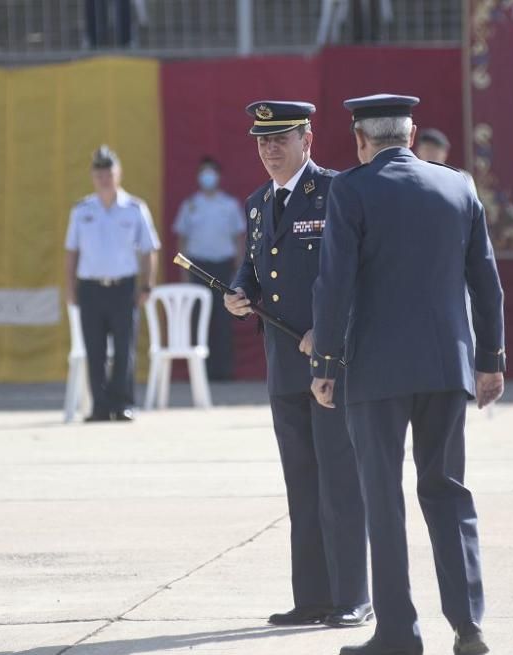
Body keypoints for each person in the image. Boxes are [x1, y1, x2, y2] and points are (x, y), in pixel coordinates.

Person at [310, 94, 505, 655]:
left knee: (383, 496)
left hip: (375, 371)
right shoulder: (458, 186)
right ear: (412, 132)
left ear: (359, 139)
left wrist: (324, 363)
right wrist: (490, 360)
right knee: (447, 492)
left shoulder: (350, 189)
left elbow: (334, 284)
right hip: (447, 367)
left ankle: (398, 632)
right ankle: (468, 626)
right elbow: (485, 282)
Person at [224, 101, 371, 629]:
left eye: (281, 138)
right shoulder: (259, 203)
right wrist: (241, 291)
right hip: (282, 363)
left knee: (340, 480)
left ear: (308, 139)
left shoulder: (336, 192)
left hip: (328, 361)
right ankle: (311, 597)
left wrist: (328, 334)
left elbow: (357, 275)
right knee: (302, 483)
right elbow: (255, 264)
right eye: (262, 140)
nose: (270, 149)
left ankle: (354, 595)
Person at [65, 145, 160, 422]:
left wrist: (147, 285)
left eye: (109, 173)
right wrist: (70, 289)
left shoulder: (134, 208)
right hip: (91, 288)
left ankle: (123, 404)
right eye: (99, 174)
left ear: (118, 174)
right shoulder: (82, 210)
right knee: (94, 350)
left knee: (124, 349)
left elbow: (148, 249)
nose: (104, 179)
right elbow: (71, 252)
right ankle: (99, 406)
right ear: (93, 177)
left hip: (123, 287)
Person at [173, 156, 245, 380]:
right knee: (199, 319)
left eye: (211, 172)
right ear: (198, 177)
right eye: (203, 172)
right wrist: (184, 273)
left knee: (224, 320)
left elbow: (239, 238)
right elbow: (182, 239)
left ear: (218, 176)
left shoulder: (229, 205)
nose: (208, 177)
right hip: (198, 268)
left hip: (224, 266)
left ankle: (222, 371)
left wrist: (240, 270)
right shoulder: (190, 205)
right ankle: (199, 372)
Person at [415, 127, 478, 196]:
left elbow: (472, 204)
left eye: (435, 150)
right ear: (418, 151)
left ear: (445, 153)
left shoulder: (461, 178)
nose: (431, 153)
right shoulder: (413, 176)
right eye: (427, 149)